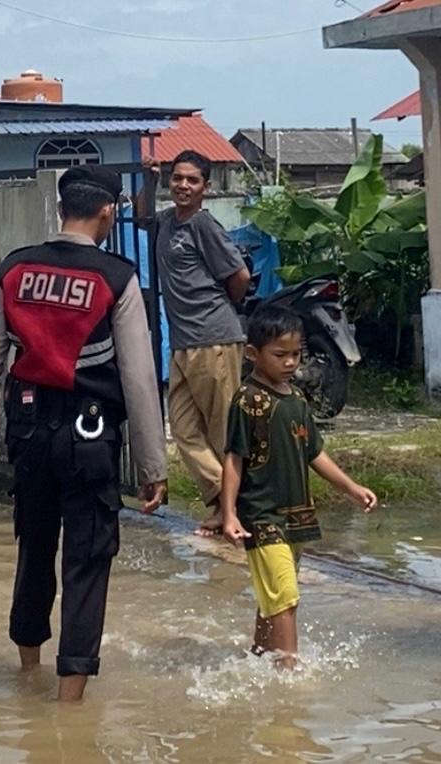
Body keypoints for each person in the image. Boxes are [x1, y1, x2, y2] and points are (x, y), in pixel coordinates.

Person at [0, 165, 168, 702]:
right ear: (106, 211)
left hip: (27, 432)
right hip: (90, 437)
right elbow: (138, 378)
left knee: (34, 546)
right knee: (88, 559)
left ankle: (28, 671)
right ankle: (69, 703)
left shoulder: (16, 268)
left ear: (60, 208)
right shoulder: (116, 277)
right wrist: (152, 467)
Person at [220, 302, 376, 669]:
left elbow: (314, 452)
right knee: (286, 597)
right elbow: (234, 458)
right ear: (254, 354)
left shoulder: (297, 399)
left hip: (296, 517)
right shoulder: (248, 401)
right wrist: (228, 514)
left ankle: (259, 657)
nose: (290, 363)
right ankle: (289, 673)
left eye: (296, 355)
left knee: (274, 594)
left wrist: (350, 487)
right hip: (262, 515)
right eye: (280, 355)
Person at [150, 149, 251, 536]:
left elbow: (238, 275)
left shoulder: (204, 226)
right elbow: (143, 213)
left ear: (206, 188)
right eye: (177, 178)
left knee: (223, 430)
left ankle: (234, 509)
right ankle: (221, 499)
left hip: (214, 339)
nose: (183, 186)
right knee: (184, 430)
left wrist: (226, 306)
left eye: (193, 180)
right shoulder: (166, 222)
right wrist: (148, 176)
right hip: (181, 343)